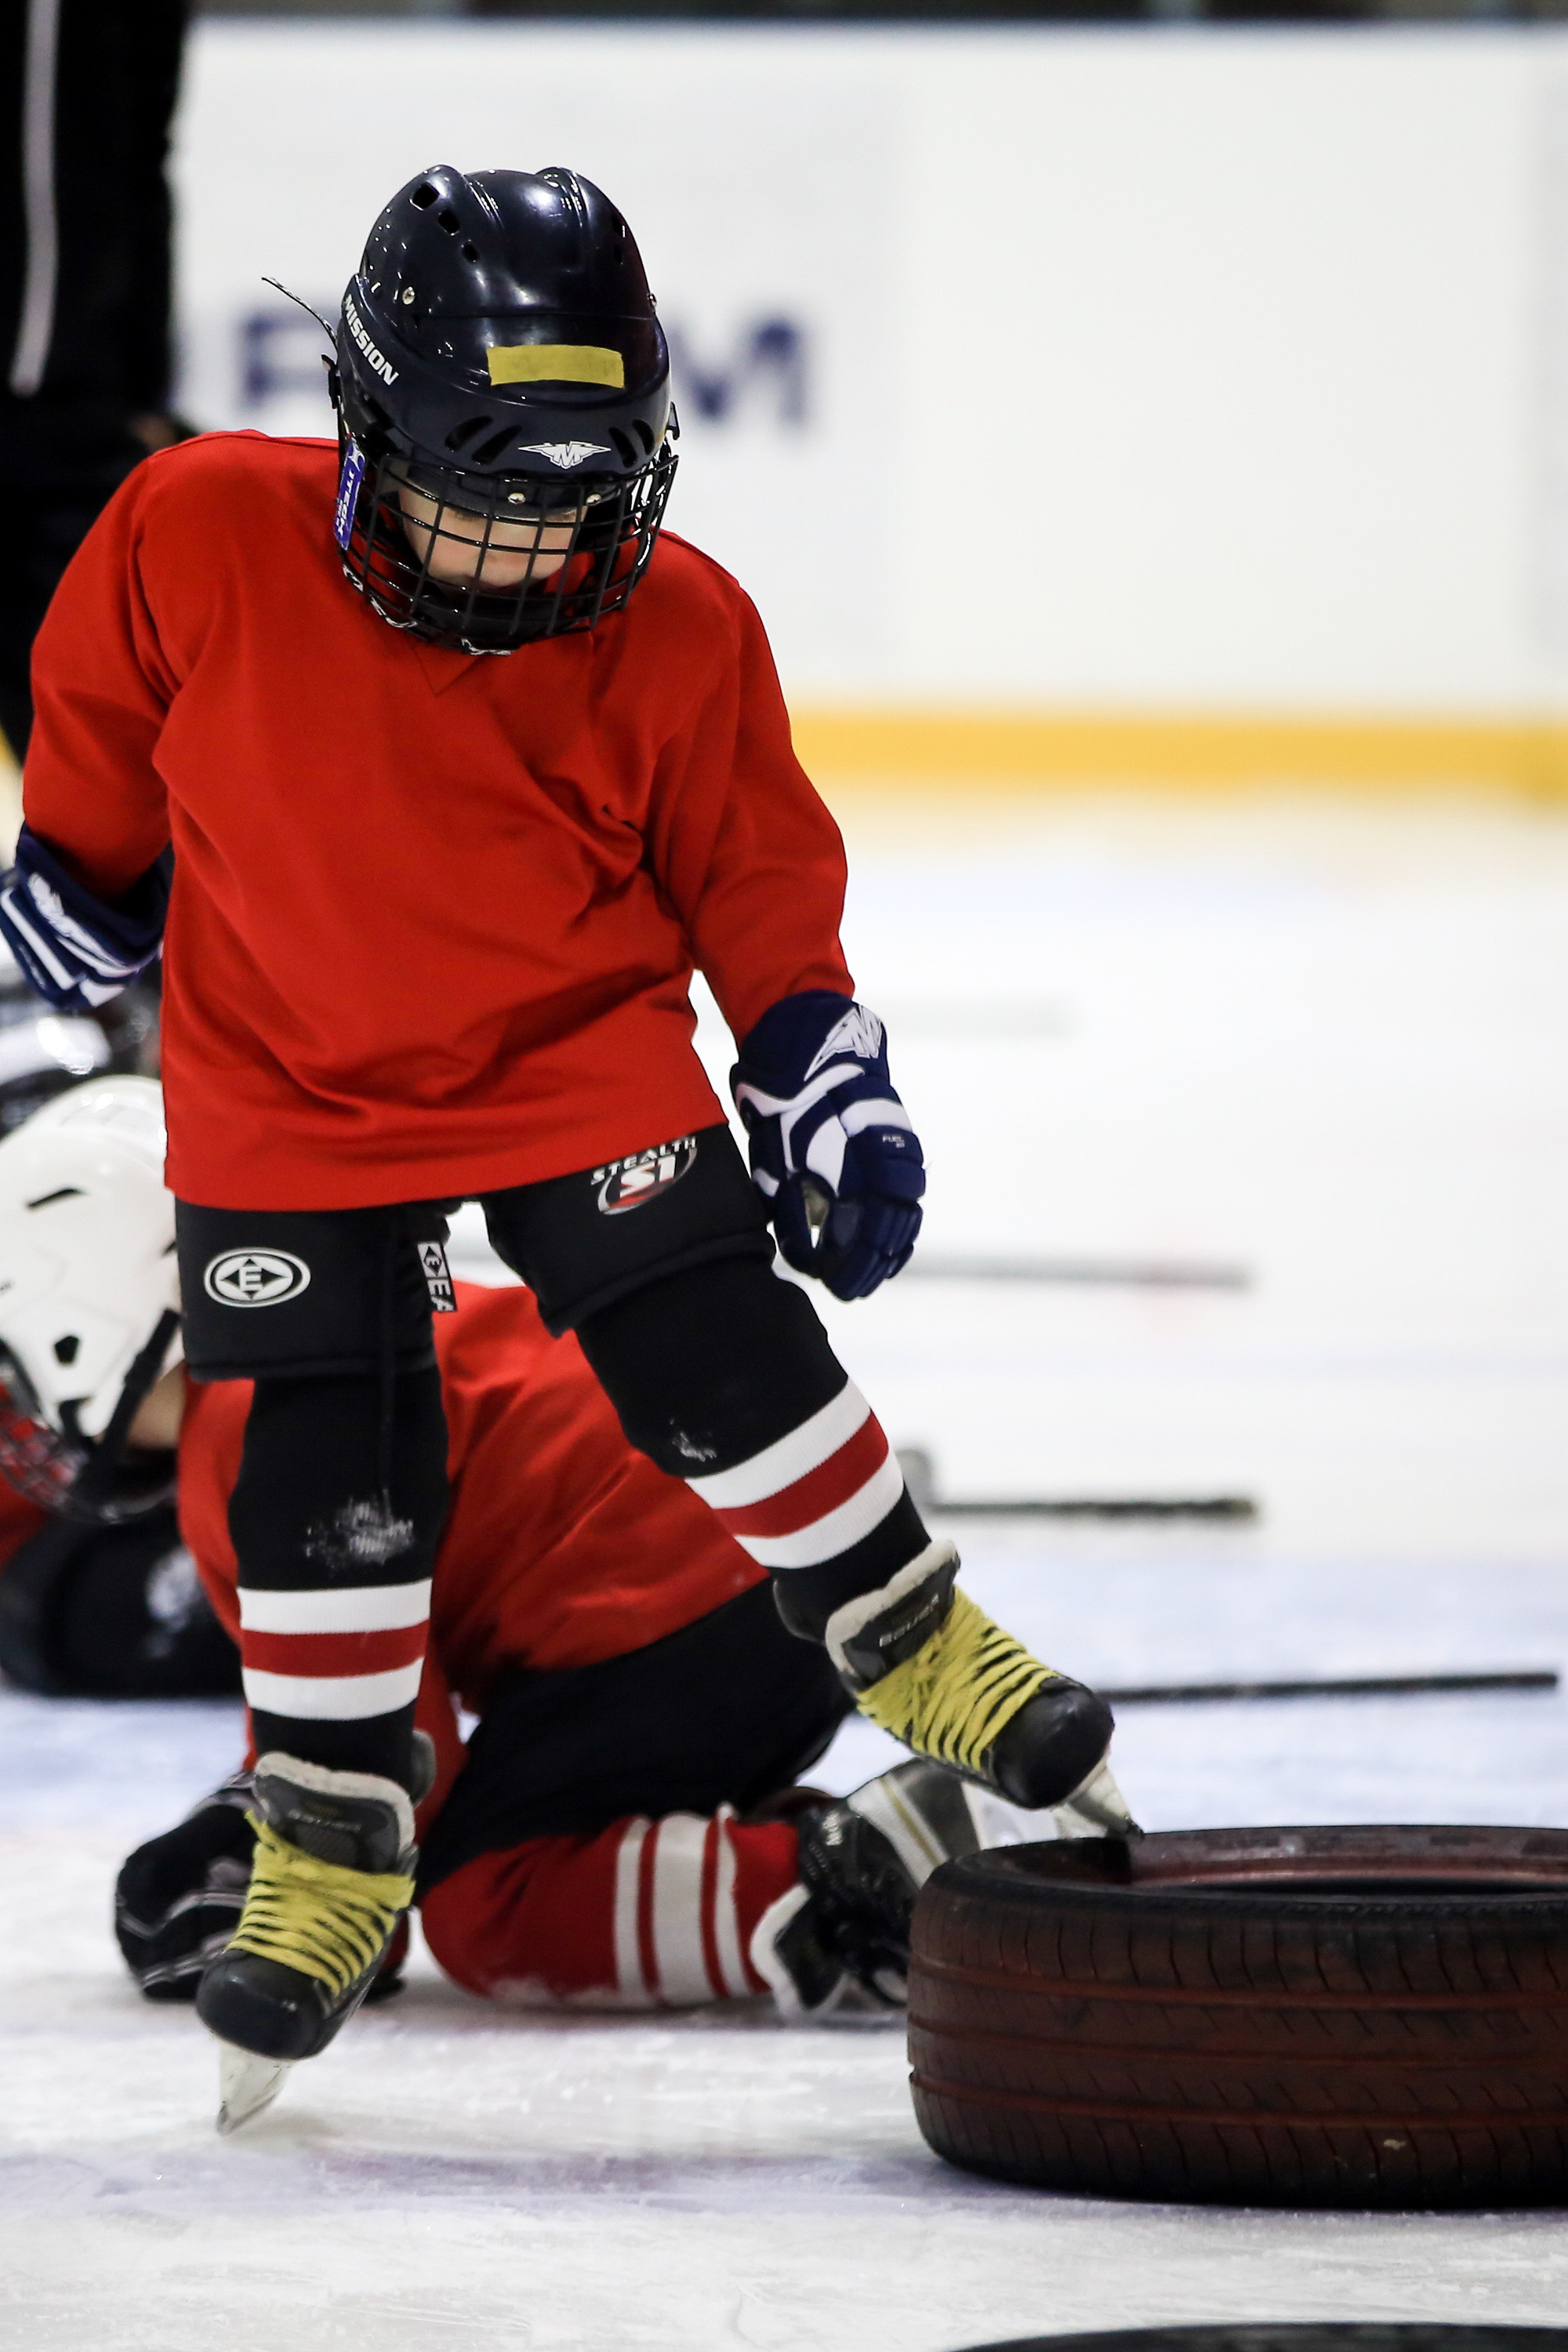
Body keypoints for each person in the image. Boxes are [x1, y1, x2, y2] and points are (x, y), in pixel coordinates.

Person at [0, 164, 1134, 2124]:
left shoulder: (681, 623)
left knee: (700, 1322)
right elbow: (98, 706)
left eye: (577, 503)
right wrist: (77, 873)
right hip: (287, 1078)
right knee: (321, 1428)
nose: (531, 552)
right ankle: (328, 1836)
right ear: (365, 429)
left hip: (570, 1044)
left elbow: (754, 874)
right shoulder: (196, 526)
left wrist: (816, 1064)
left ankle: (913, 1634)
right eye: (483, 498)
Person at [0, 1077, 1073, 2119]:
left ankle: (858, 1884)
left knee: (488, 1910)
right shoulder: (337, 1331)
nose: (23, 1408)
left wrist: (285, 1893)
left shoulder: (247, 1445)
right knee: (535, 1827)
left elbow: (381, 1759)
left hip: (671, 1613)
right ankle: (830, 1848)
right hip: (769, 1576)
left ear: (79, 1315)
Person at [1, 0, 191, 762]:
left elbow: (141, 160)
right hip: (62, 408)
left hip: (78, 417)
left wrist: (143, 390)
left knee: (99, 763)